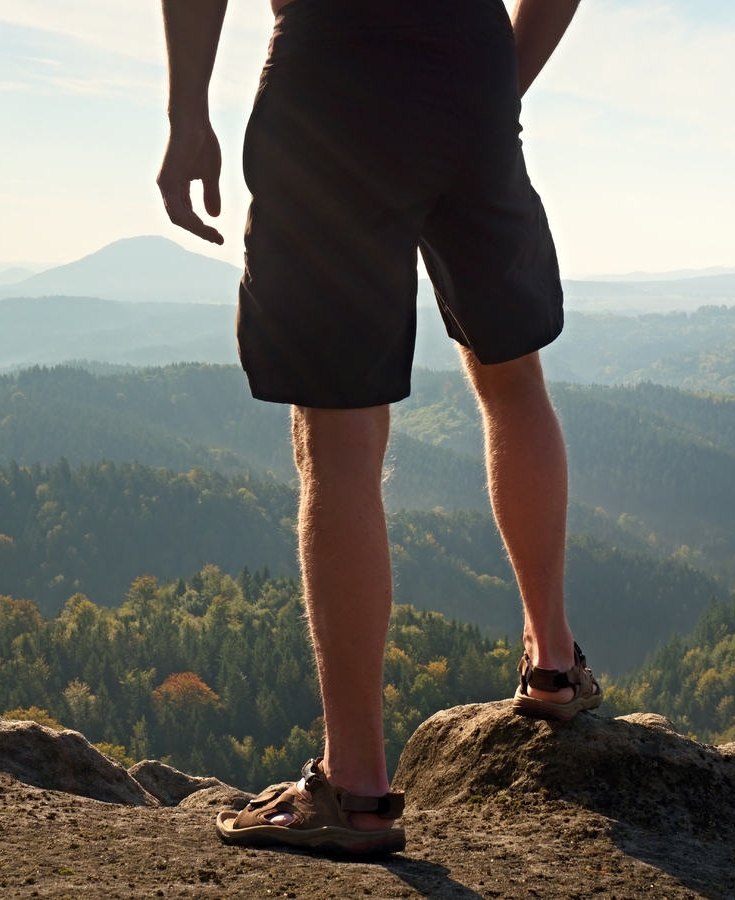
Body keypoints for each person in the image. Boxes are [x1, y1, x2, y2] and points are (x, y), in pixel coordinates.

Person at [157, 0, 597, 857]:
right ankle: (554, 662)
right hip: (469, 59)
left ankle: (356, 785)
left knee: (340, 439)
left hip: (335, 74)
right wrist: (490, 80)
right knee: (511, 372)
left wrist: (187, 115)